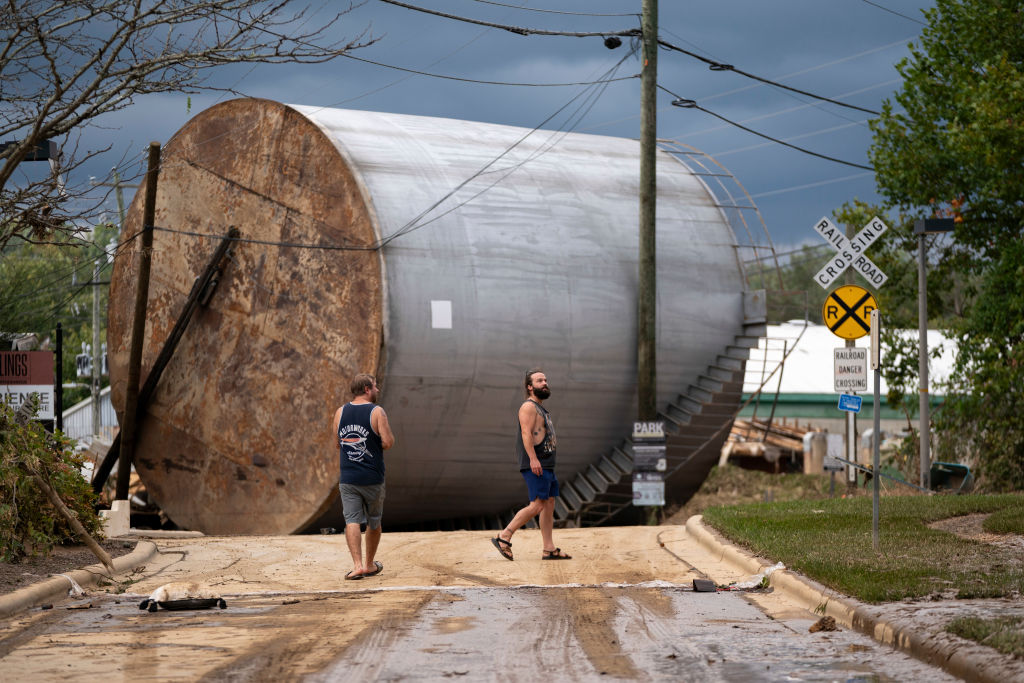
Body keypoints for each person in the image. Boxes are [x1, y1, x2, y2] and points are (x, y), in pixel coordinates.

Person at [491, 368, 572, 561]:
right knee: (536, 505)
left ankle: (548, 549)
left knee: (549, 503)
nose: (545, 383)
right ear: (529, 387)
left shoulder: (540, 408)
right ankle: (504, 536)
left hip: (547, 464)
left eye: (545, 380)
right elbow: (526, 434)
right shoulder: (528, 407)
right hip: (537, 464)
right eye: (539, 381)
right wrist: (533, 459)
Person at [332, 373, 395, 580]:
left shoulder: (340, 412)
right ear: (367, 389)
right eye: (375, 387)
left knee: (351, 520)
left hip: (348, 478)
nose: (377, 390)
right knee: (374, 522)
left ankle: (357, 565)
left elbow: (337, 443)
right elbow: (387, 442)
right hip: (372, 478)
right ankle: (369, 565)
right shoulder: (377, 412)